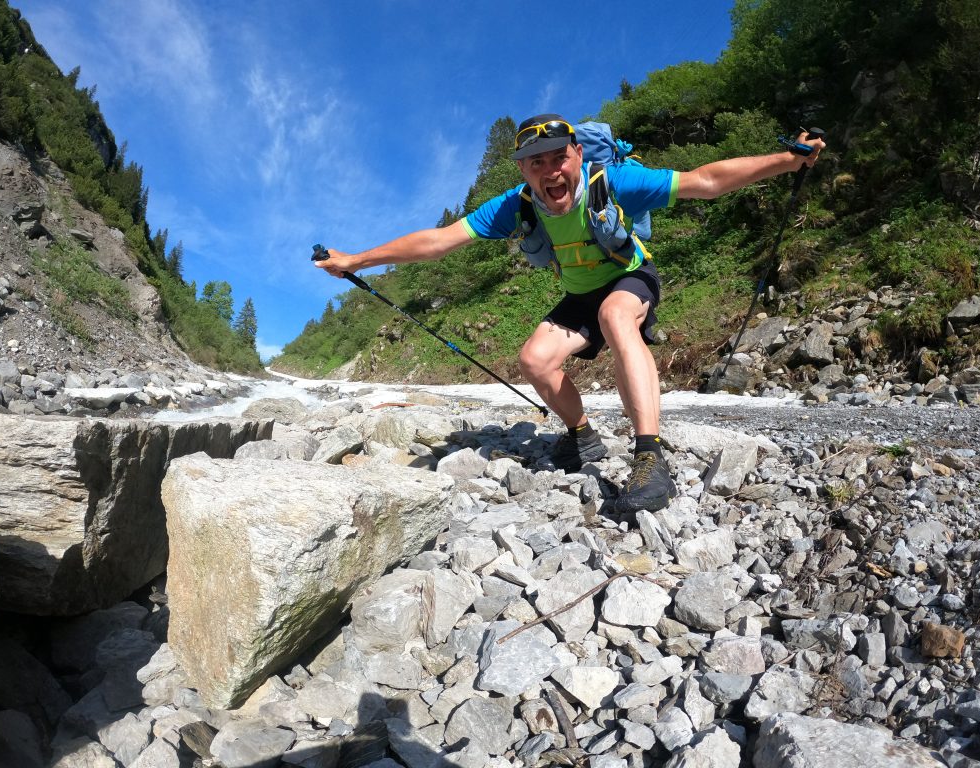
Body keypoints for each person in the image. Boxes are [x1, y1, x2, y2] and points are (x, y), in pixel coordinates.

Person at [315, 114, 825, 513]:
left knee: (616, 317)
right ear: (522, 169)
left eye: (558, 157)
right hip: (580, 295)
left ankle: (650, 457)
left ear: (577, 155)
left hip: (630, 278)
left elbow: (706, 180)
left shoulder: (615, 181)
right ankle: (584, 436)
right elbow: (438, 241)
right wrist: (357, 260)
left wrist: (787, 159)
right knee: (534, 360)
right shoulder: (515, 205)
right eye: (535, 162)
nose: (549, 170)